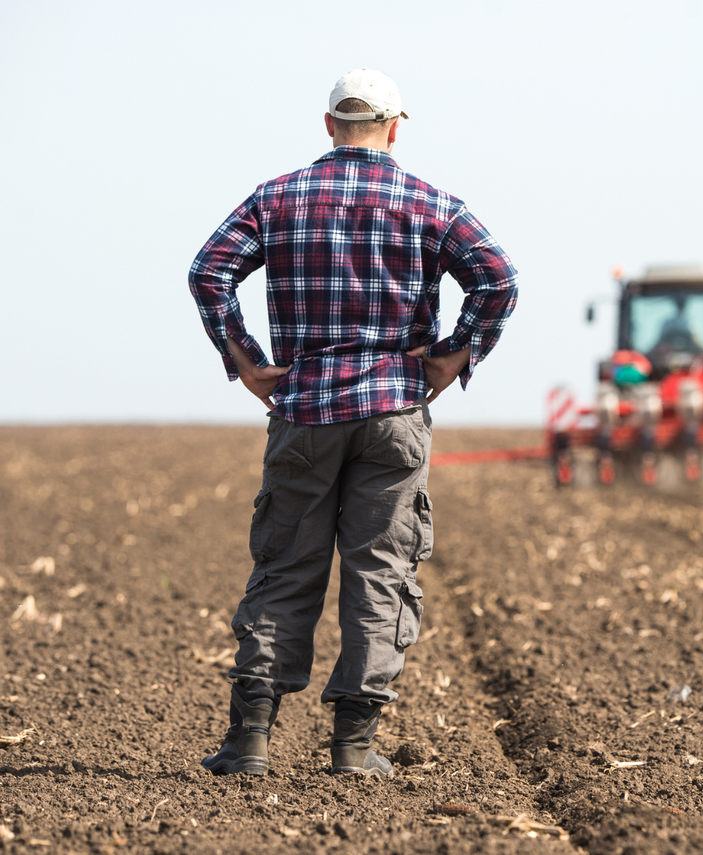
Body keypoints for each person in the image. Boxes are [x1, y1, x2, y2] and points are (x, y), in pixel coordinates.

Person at [188, 68, 518, 778]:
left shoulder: (276, 198)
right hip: (395, 412)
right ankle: (353, 747)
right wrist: (455, 354)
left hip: (304, 410)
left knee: (284, 568)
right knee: (381, 573)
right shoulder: (432, 203)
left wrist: (245, 360)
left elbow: (208, 270)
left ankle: (249, 743)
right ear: (396, 127)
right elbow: (498, 279)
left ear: (329, 125)